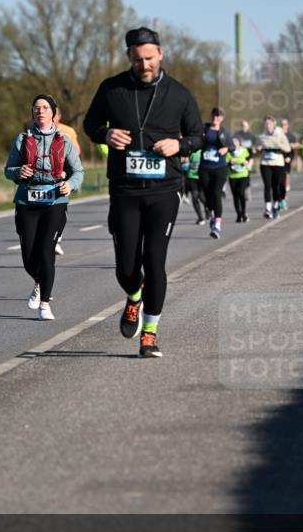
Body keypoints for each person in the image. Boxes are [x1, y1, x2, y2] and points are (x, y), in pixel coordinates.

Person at [83, 25, 203, 358]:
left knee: (155, 261)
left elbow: (198, 136)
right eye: (138, 60)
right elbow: (90, 125)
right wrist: (104, 136)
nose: (145, 65)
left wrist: (179, 144)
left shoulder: (179, 93)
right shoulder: (111, 89)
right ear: (128, 58)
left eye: (149, 58)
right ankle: (133, 297)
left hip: (165, 189)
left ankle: (149, 334)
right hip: (124, 188)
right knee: (125, 267)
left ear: (161, 54)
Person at [4, 94, 83, 319]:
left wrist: (70, 185)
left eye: (45, 107)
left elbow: (78, 172)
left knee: (46, 252)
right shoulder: (22, 139)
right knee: (29, 256)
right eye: (36, 108)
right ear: (33, 112)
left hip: (54, 201)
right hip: (27, 202)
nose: (40, 111)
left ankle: (45, 303)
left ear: (53, 113)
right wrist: (18, 172)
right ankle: (39, 281)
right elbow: (8, 169)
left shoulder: (64, 140)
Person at [199, 107, 233, 239]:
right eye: (214, 115)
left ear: (222, 118)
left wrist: (226, 149)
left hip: (220, 167)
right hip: (204, 167)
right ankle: (212, 214)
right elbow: (196, 140)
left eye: (218, 116)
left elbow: (232, 146)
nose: (215, 117)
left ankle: (217, 224)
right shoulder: (204, 129)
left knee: (216, 194)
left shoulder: (224, 132)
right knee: (207, 195)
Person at [52, 106, 81, 256]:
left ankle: (57, 239)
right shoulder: (35, 130)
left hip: (64, 171)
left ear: (59, 116)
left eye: (53, 114)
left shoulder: (68, 131)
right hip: (43, 174)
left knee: (60, 204)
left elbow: (77, 150)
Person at [255, 115, 291, 219]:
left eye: (269, 123)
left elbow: (287, 148)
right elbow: (257, 147)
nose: (268, 125)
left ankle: (275, 206)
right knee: (267, 185)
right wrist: (258, 148)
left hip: (278, 163)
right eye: (266, 123)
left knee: (277, 186)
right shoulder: (262, 135)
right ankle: (267, 208)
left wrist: (277, 144)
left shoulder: (280, 133)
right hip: (265, 163)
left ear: (274, 124)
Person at [226, 134, 251, 222]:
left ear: (239, 142)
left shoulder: (244, 150)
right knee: (235, 196)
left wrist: (246, 162)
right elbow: (225, 163)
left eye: (236, 141)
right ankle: (239, 214)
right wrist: (230, 162)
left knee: (241, 192)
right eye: (232, 142)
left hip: (243, 175)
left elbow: (249, 158)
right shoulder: (229, 152)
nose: (234, 143)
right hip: (232, 176)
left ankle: (244, 212)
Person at [181, 148, 208, 224]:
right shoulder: (189, 151)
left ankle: (207, 208)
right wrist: (184, 160)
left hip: (202, 177)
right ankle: (200, 218)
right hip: (192, 177)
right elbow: (182, 160)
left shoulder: (203, 151)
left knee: (202, 197)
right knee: (194, 197)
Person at [280, 118, 298, 206]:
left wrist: (290, 157)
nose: (283, 126)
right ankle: (282, 192)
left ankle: (286, 189)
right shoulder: (278, 135)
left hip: (288, 157)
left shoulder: (291, 135)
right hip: (279, 157)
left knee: (286, 173)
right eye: (282, 124)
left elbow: (295, 146)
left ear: (287, 125)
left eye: (285, 124)